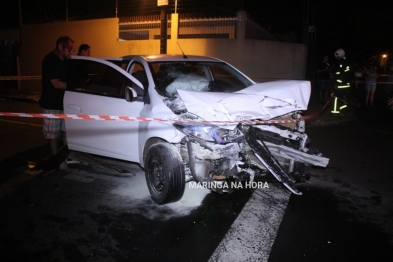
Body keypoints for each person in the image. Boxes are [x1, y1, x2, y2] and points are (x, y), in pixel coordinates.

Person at [40, 35, 75, 156]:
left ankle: (66, 156)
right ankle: (55, 157)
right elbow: (56, 84)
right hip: (51, 104)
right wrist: (74, 86)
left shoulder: (67, 61)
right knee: (53, 135)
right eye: (69, 49)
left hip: (65, 104)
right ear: (60, 46)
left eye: (72, 49)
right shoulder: (49, 60)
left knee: (66, 131)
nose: (71, 52)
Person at [331, 48, 351, 115]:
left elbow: (340, 74)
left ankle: (335, 112)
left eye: (337, 55)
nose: (336, 57)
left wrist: (336, 83)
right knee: (341, 97)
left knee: (336, 97)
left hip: (340, 84)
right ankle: (344, 109)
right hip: (344, 83)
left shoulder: (341, 62)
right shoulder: (346, 61)